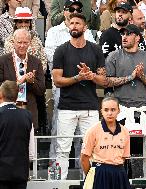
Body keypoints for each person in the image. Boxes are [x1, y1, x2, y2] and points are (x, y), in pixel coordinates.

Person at [52, 13, 106, 180]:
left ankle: (89, 183)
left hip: (90, 107)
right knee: (62, 149)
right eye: (71, 22)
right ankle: (59, 185)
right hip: (67, 107)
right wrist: (77, 78)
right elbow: (56, 80)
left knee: (91, 150)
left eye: (78, 23)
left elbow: (103, 80)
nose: (74, 25)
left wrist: (91, 77)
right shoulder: (61, 50)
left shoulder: (95, 49)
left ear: (85, 27)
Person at [45, 1, 96, 164]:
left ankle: (78, 164)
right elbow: (51, 59)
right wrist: (76, 68)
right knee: (59, 129)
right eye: (70, 9)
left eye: (77, 10)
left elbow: (91, 57)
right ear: (64, 11)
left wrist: (73, 64)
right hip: (63, 86)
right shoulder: (53, 31)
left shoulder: (86, 32)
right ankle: (55, 164)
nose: (74, 11)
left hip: (84, 87)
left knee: (84, 133)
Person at [105, 24, 146, 167]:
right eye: (123, 34)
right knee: (118, 153)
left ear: (137, 38)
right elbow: (107, 81)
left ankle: (135, 182)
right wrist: (130, 77)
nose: (124, 37)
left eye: (129, 34)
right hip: (120, 109)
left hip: (141, 109)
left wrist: (141, 76)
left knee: (137, 153)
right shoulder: (113, 56)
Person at [81, 97, 131, 189]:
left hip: (119, 173)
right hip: (100, 173)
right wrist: (93, 175)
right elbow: (84, 158)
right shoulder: (93, 131)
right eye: (106, 110)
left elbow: (124, 157)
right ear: (101, 111)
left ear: (118, 111)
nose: (109, 113)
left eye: (113, 109)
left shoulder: (125, 131)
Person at [0, 28, 45, 129]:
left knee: (30, 144)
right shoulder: (2, 61)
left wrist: (32, 81)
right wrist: (19, 81)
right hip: (6, 112)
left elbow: (41, 90)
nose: (22, 45)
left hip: (28, 112)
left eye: (25, 42)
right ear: (13, 42)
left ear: (29, 43)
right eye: (19, 42)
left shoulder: (36, 62)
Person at [0, 80, 35, 189]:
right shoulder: (27, 115)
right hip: (20, 172)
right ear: (17, 95)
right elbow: (31, 149)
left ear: (1, 94)